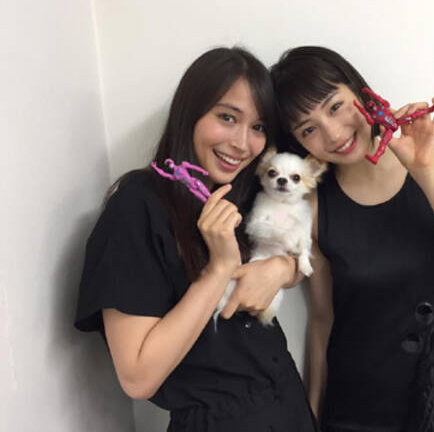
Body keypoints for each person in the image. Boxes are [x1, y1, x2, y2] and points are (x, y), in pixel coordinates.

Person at [271, 46, 434, 432]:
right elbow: (322, 322)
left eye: (335, 106)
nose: (333, 133)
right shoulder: (314, 207)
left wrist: (424, 169)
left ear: (360, 92)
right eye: (308, 129)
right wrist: (313, 418)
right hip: (359, 411)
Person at [74, 47, 317, 432]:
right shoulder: (136, 207)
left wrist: (281, 269)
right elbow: (137, 377)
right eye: (227, 117)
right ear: (190, 112)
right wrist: (218, 269)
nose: (242, 143)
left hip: (288, 403)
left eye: (258, 127)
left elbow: (294, 248)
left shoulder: (242, 190)